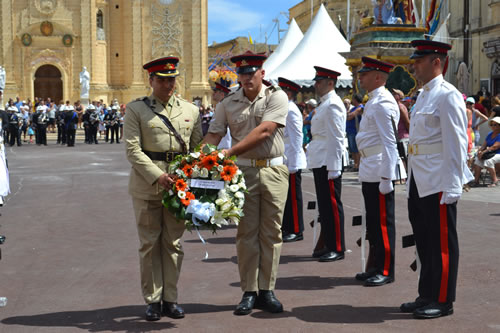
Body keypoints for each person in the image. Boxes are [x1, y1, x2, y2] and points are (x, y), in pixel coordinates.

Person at [204, 51, 289, 316]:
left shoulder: (277, 96)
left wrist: (227, 154)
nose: (246, 78)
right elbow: (214, 134)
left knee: (272, 233)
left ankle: (268, 289)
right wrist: (198, 161)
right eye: (241, 74)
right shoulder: (228, 102)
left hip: (273, 171)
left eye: (251, 73)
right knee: (246, 233)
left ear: (262, 73)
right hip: (243, 174)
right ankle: (249, 291)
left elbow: (265, 130)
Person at [124, 56, 202, 321]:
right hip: (147, 185)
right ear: (151, 81)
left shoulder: (191, 111)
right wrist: (157, 176)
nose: (169, 85)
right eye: (162, 80)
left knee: (174, 244)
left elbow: (199, 149)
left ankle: (171, 297)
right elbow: (133, 149)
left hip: (179, 186)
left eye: (172, 79)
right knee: (149, 243)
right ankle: (153, 300)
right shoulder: (136, 110)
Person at [401, 40, 473, 319]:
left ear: (437, 62)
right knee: (425, 241)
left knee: (442, 242)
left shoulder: (447, 95)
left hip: (439, 179)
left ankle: (443, 299)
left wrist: (454, 183)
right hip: (420, 178)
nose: (414, 65)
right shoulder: (422, 96)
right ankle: (426, 294)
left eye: (419, 60)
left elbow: (456, 142)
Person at [354, 57, 399, 286]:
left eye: (365, 74)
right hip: (370, 166)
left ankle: (385, 269)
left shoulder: (383, 103)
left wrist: (386, 176)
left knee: (382, 223)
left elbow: (390, 142)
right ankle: (374, 265)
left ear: (378, 77)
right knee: (372, 222)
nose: (360, 77)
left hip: (379, 167)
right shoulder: (373, 101)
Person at [307, 66, 347, 262]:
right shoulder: (324, 104)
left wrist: (334, 166)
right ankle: (329, 243)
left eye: (320, 81)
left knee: (332, 205)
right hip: (320, 157)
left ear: (330, 83)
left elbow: (337, 137)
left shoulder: (333, 104)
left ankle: (337, 246)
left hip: (327, 160)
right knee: (324, 205)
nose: (316, 84)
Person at [278, 77, 307, 243]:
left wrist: (295, 162)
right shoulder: (284, 108)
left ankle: (296, 229)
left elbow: (297, 137)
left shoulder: (291, 109)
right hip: (285, 156)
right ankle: (287, 226)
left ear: (288, 93)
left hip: (292, 158)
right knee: (286, 196)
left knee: (294, 198)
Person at [471, 117, 500, 187]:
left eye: (495, 125)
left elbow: (495, 147)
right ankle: (476, 181)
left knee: (489, 161)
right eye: (492, 125)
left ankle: (495, 180)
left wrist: (483, 152)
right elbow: (484, 145)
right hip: (489, 153)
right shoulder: (490, 134)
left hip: (498, 153)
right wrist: (479, 152)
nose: (493, 126)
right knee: (478, 160)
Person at [211, 82, 232, 150]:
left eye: (215, 92)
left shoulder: (225, 107)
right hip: (219, 146)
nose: (213, 94)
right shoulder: (219, 106)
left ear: (222, 94)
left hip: (224, 146)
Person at [346, 94, 364, 170]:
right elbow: (347, 114)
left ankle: (358, 165)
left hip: (356, 131)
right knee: (352, 149)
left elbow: (350, 116)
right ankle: (355, 164)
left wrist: (348, 115)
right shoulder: (354, 108)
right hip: (350, 131)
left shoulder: (360, 108)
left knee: (356, 149)